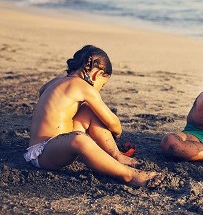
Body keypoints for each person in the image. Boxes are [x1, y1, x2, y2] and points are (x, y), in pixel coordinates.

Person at [24, 45, 161, 187]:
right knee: (79, 138)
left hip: (54, 144)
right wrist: (116, 131)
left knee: (88, 110)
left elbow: (42, 92)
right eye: (102, 85)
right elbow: (114, 124)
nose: (100, 89)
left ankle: (116, 156)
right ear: (97, 74)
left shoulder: (56, 81)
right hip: (43, 153)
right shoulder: (84, 87)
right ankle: (128, 175)